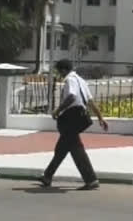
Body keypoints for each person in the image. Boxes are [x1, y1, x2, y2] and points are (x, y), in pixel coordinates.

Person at [38, 59, 108, 190]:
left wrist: (57, 110)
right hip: (81, 116)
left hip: (72, 116)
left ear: (64, 70)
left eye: (59, 72)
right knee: (65, 146)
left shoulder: (70, 80)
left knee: (72, 147)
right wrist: (100, 118)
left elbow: (72, 96)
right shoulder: (81, 80)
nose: (59, 75)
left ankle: (91, 179)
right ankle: (47, 176)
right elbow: (91, 102)